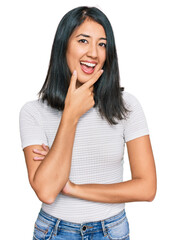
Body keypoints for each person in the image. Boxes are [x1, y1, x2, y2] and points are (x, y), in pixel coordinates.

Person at [19, 6, 157, 240]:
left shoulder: (126, 106)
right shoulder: (33, 112)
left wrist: (74, 189)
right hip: (54, 232)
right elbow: (46, 191)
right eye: (83, 41)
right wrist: (71, 115)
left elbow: (146, 188)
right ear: (63, 46)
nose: (94, 53)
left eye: (102, 44)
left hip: (111, 231)